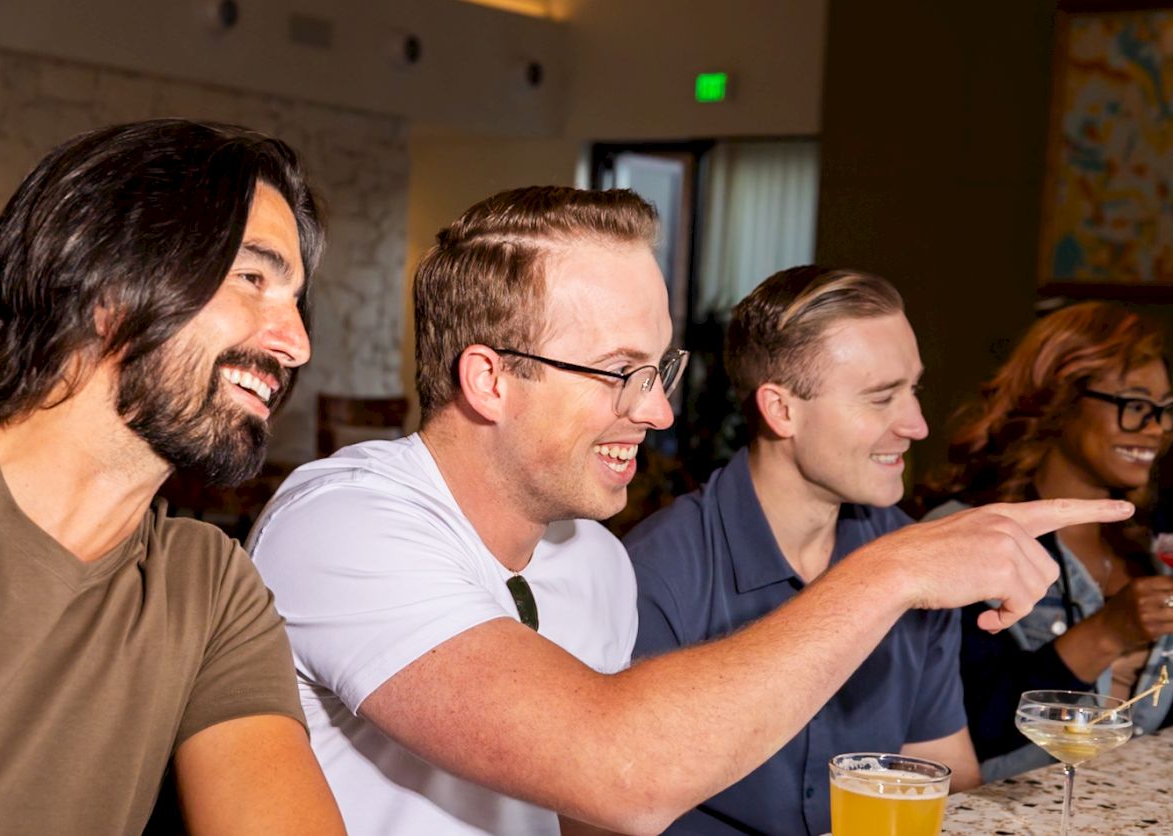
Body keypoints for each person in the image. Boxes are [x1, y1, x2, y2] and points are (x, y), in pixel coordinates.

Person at [249, 186, 1131, 836]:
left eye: (660, 371)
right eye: (619, 372)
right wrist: (895, 569)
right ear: (489, 379)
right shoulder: (344, 519)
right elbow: (619, 768)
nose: (660, 412)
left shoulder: (590, 560)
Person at [0, 119, 345, 835]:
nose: (296, 344)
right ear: (108, 279)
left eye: (296, 301)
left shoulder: (206, 589)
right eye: (253, 278)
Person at [625, 265, 977, 835]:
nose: (916, 424)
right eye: (882, 398)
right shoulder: (656, 573)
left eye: (914, 389)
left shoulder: (914, 557)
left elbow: (949, 775)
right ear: (781, 410)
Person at [924, 301, 1173, 780]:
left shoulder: (1146, 547)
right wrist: (1106, 634)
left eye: (1164, 410)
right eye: (1136, 404)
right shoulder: (965, 536)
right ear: (1061, 397)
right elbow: (961, 735)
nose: (1157, 427)